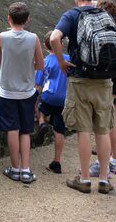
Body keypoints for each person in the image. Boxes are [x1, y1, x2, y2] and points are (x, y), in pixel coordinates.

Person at [50, 0, 116, 194]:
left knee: (83, 131)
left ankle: (85, 179)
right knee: (103, 130)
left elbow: (54, 38)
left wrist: (61, 61)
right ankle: (105, 179)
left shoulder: (72, 15)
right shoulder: (104, 15)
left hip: (80, 79)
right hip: (104, 81)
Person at [0, 2, 44, 184]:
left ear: (9, 18)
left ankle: (14, 169)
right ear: (27, 19)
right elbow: (40, 65)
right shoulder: (34, 38)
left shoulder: (2, 37)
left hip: (6, 92)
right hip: (26, 92)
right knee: (26, 130)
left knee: (12, 129)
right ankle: (26, 170)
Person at [89, 0, 116, 177]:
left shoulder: (104, 30)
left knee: (103, 124)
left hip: (107, 80)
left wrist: (114, 82)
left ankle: (101, 165)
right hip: (115, 79)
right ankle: (115, 162)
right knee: (113, 122)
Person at [33, 30, 70, 174]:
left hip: (49, 96)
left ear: (45, 45)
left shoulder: (46, 61)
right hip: (63, 98)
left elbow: (38, 84)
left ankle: (42, 122)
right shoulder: (68, 59)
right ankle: (57, 161)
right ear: (61, 44)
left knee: (40, 108)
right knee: (59, 130)